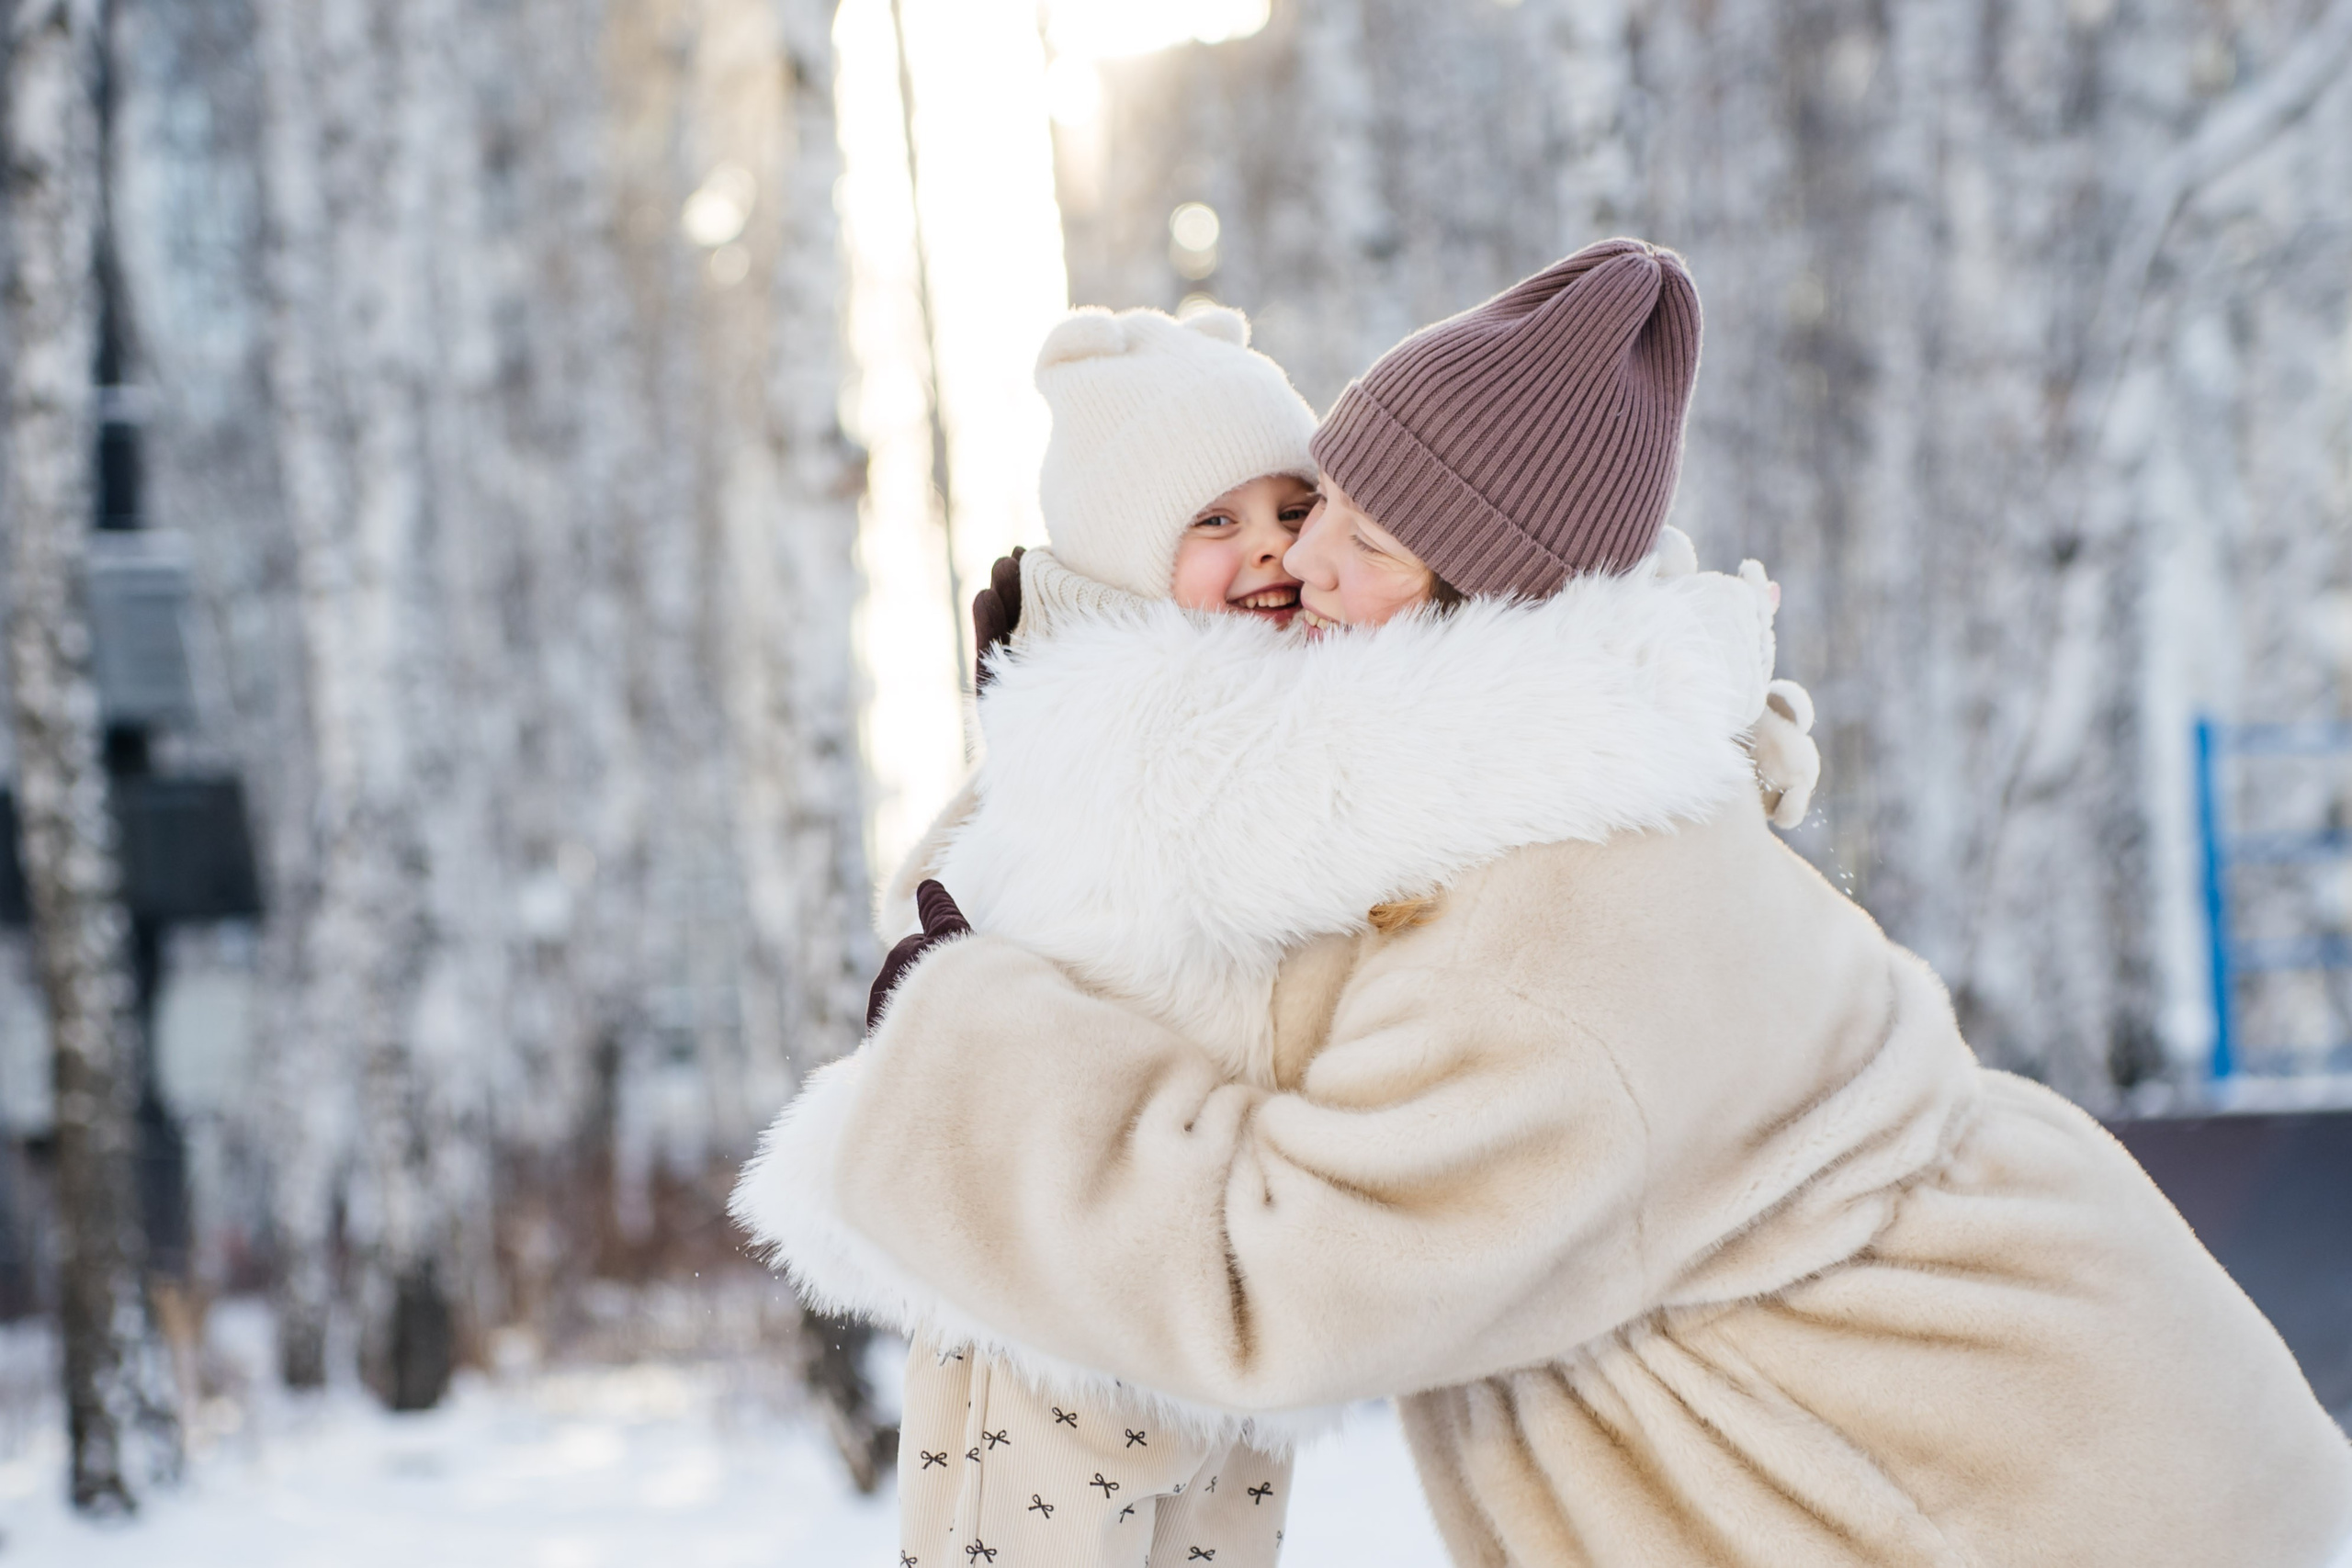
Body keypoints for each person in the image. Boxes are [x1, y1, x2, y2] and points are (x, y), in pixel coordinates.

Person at [741, 238, 2352, 1567]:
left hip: (1998, 1495)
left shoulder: (1565, 933)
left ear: (1479, 593)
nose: (1302, 571)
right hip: (1997, 1415)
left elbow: (1275, 1287)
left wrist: (966, 1035)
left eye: (1351, 537)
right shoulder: (1543, 781)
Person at [868, 301, 1328, 1568]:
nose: (1272, 551)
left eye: (1295, 510)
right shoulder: (1131, 714)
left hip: (1212, 1271)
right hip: (1054, 1270)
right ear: (1126, 551)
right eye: (1215, 521)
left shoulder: (1287, 696)